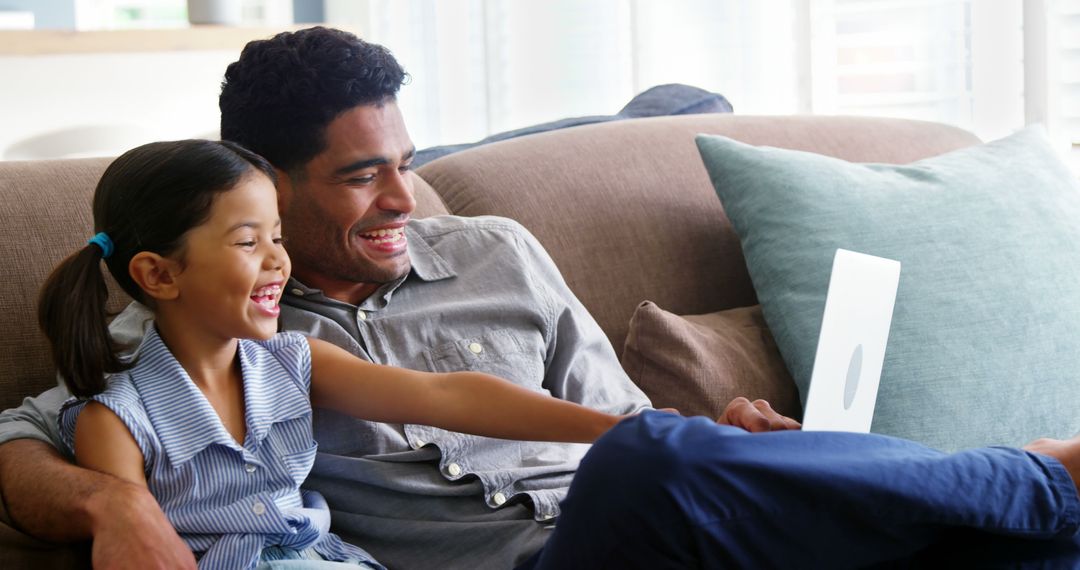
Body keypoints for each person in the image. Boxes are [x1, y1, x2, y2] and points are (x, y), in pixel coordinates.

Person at [0, 25, 1076, 569]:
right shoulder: (217, 328)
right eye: (361, 174)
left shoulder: (496, 251)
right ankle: (1035, 475)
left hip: (662, 527)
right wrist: (112, 501)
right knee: (651, 463)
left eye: (407, 162)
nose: (405, 198)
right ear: (263, 182)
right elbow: (28, 430)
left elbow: (605, 419)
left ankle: (1029, 507)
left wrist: (712, 438)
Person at [39, 138, 632, 569]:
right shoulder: (114, 419)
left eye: (278, 237)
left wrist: (620, 431)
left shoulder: (292, 362)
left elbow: (446, 395)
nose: (277, 261)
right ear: (158, 276)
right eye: (249, 242)